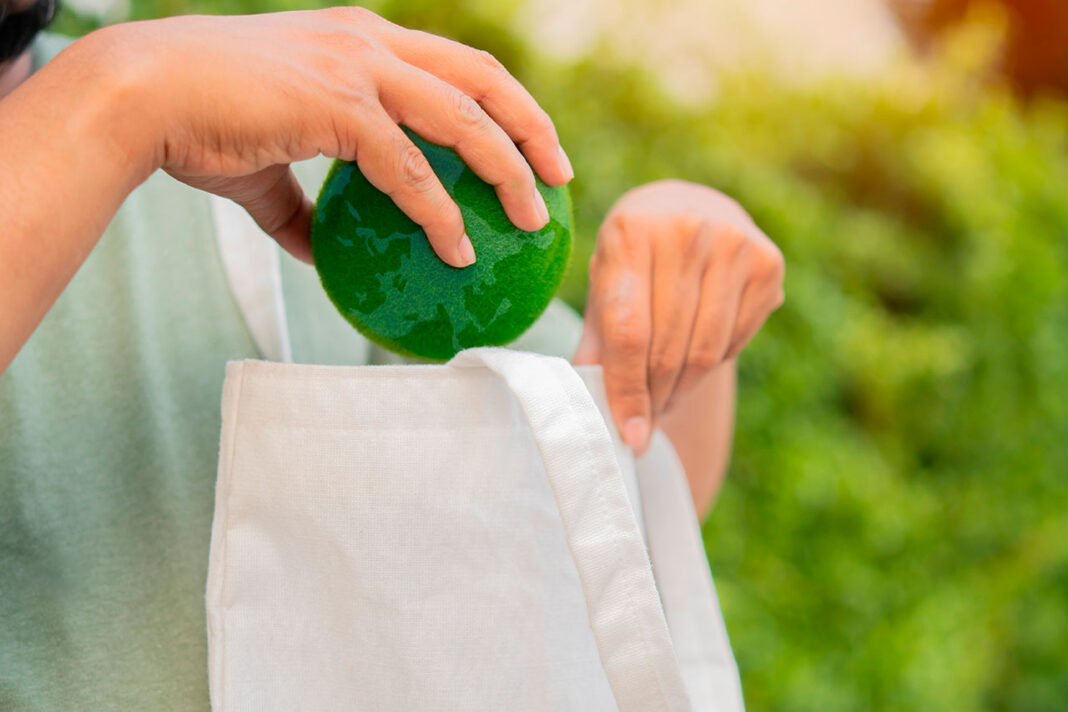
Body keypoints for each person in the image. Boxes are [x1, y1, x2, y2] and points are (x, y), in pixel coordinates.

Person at [0, 1, 784, 708]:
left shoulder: (249, 157)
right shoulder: (157, 94)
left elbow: (609, 491)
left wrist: (679, 301)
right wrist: (121, 96)